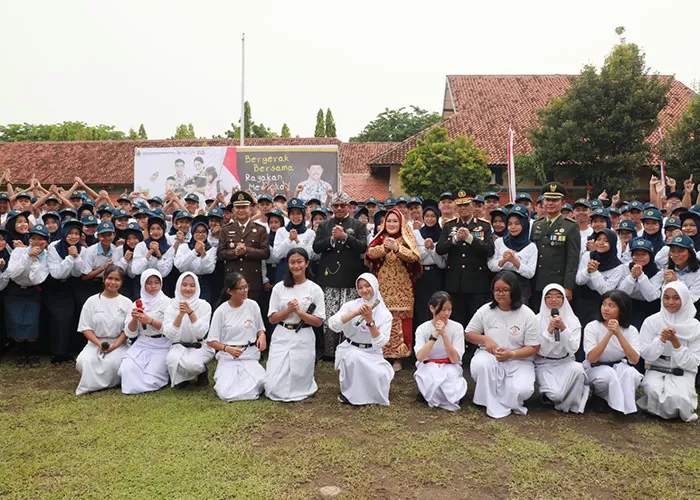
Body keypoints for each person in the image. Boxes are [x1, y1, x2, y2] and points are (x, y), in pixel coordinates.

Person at [465, 271, 540, 418]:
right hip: (492, 357)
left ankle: (507, 400)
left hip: (519, 360)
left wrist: (512, 354)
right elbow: (469, 333)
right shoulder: (486, 310)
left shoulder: (527, 314)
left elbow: (534, 347)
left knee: (523, 390)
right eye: (497, 290)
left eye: (505, 290)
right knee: (480, 364)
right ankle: (486, 400)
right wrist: (486, 340)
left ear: (514, 290)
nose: (501, 294)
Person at [265, 248, 325, 402]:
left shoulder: (315, 289)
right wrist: (288, 311)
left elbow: (318, 322)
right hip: (282, 334)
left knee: (298, 379)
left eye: (299, 262)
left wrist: (300, 313)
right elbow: (272, 319)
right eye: (292, 262)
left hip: (303, 336)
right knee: (272, 387)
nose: (296, 266)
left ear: (306, 263)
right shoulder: (279, 287)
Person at [312, 192, 367, 360]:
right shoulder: (324, 225)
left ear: (349, 206)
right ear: (332, 208)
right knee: (330, 313)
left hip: (350, 277)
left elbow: (363, 247)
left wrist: (345, 237)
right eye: (336, 206)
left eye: (343, 205)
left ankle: (347, 348)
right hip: (329, 277)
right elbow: (316, 247)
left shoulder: (358, 225)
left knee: (348, 314)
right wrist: (331, 239)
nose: (339, 208)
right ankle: (329, 351)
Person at [366, 209, 421, 371]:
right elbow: (369, 254)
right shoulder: (380, 238)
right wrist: (384, 248)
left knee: (401, 320)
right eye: (388, 221)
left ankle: (398, 358)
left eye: (395, 221)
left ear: (401, 223)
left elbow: (414, 257)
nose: (391, 224)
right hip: (382, 288)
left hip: (403, 288)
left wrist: (397, 248)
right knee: (382, 318)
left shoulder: (406, 238)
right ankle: (381, 353)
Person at [638, 282, 700, 422]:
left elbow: (694, 361)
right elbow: (645, 353)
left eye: (676, 298)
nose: (670, 302)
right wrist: (661, 340)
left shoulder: (695, 327)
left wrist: (676, 343)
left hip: (682, 370)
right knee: (653, 390)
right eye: (666, 298)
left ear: (684, 299)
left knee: (676, 398)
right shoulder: (652, 321)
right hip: (656, 367)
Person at [328, 273, 393, 405]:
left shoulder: (384, 314)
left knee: (380, 374)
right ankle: (349, 394)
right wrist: (356, 313)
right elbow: (333, 324)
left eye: (367, 286)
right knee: (353, 359)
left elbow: (380, 342)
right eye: (360, 287)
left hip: (372, 352)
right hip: (352, 348)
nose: (364, 290)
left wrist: (370, 321)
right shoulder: (350, 305)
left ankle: (371, 396)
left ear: (375, 286)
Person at [436, 188, 495, 329]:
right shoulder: (450, 225)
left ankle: (475, 349)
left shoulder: (484, 225)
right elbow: (440, 249)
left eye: (466, 205)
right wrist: (455, 239)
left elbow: (489, 250)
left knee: (476, 320)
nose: (463, 208)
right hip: (455, 281)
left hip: (477, 281)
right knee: (458, 319)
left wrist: (469, 239)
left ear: (473, 206)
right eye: (459, 205)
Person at [206, 273, 267, 402]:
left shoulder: (253, 305)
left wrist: (262, 336)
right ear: (230, 291)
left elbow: (260, 329)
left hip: (249, 356)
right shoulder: (221, 311)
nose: (245, 291)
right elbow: (211, 341)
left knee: (263, 383)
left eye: (246, 287)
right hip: (228, 357)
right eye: (241, 288)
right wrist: (227, 348)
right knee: (226, 392)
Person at [75, 265, 132, 395]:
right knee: (85, 361)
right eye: (110, 278)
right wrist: (98, 343)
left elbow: (127, 329)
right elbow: (86, 328)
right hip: (95, 343)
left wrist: (115, 345)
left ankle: (106, 383)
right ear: (104, 279)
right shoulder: (91, 301)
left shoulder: (127, 303)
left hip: (119, 344)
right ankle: (90, 385)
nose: (113, 282)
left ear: (122, 282)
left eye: (117, 280)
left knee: (113, 363)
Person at [583, 290, 642, 414]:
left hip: (619, 365)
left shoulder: (631, 330)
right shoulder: (592, 327)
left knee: (633, 375)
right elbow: (592, 358)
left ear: (621, 310)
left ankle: (625, 405)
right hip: (596, 367)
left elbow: (634, 359)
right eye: (604, 304)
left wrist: (618, 334)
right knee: (606, 376)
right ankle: (600, 397)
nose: (606, 309)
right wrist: (609, 334)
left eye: (611, 306)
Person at [534, 284, 588, 413]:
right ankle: (551, 397)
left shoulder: (573, 320)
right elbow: (541, 350)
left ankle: (571, 405)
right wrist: (549, 331)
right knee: (556, 394)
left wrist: (563, 329)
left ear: (564, 299)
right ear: (544, 299)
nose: (554, 300)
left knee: (579, 370)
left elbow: (573, 348)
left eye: (558, 297)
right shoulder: (536, 320)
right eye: (549, 297)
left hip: (566, 361)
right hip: (544, 363)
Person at [119, 269, 171, 395]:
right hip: (143, 342)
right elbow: (130, 333)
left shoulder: (169, 303)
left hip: (162, 343)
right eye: (149, 283)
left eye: (156, 283)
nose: (153, 286)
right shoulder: (137, 303)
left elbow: (171, 330)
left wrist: (150, 320)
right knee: (126, 369)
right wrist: (134, 319)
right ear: (143, 284)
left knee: (152, 377)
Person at [5, 224, 50, 368]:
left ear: (46, 242)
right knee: (17, 322)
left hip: (32, 292)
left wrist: (35, 260)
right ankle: (20, 354)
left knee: (31, 322)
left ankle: (32, 353)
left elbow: (37, 279)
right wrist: (27, 256)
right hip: (16, 291)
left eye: (40, 239)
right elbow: (13, 273)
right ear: (29, 240)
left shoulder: (47, 257)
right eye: (33, 238)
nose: (36, 242)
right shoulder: (19, 252)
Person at [530, 183, 580, 312]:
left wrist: (568, 287)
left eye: (555, 200)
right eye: (548, 199)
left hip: (558, 283)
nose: (550, 203)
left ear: (563, 203)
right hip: (537, 282)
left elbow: (572, 260)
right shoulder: (537, 225)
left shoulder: (570, 226)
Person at [414, 291, 467, 411]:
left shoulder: (457, 327)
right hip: (429, 365)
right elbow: (421, 357)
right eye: (443, 310)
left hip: (450, 365)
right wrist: (435, 335)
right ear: (432, 308)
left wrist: (444, 335)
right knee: (433, 378)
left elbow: (454, 358)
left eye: (449, 310)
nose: (447, 313)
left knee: (450, 382)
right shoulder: (422, 328)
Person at [217, 191, 270, 303]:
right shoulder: (226, 230)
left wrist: (247, 251)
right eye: (238, 207)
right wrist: (234, 253)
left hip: (252, 281)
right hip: (232, 282)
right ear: (233, 210)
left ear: (251, 209)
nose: (241, 210)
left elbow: (266, 253)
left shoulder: (260, 230)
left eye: (244, 207)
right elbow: (220, 254)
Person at [163, 272, 213, 388]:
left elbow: (201, 333)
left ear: (197, 287)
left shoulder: (204, 306)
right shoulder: (171, 306)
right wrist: (180, 315)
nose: (188, 288)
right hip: (179, 345)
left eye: (192, 285)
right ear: (178, 286)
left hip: (199, 345)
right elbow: (170, 334)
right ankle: (183, 379)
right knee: (171, 360)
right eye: (184, 285)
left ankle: (202, 371)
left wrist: (190, 313)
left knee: (193, 365)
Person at [46, 218, 84, 364]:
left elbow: (78, 272)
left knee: (73, 316)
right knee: (59, 318)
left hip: (72, 285)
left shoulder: (81, 248)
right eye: (70, 233)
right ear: (64, 233)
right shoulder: (54, 247)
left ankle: (69, 349)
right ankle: (58, 352)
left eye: (76, 233)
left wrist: (76, 256)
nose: (73, 236)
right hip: (55, 286)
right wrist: (70, 257)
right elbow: (57, 273)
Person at [575, 228, 626, 336]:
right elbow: (579, 280)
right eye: (599, 239)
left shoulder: (618, 266)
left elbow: (606, 291)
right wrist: (587, 271)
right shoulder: (588, 255)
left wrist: (594, 273)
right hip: (583, 301)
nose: (601, 243)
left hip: (603, 304)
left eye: (606, 241)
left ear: (612, 243)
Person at [488, 204, 537, 305]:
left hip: (521, 289)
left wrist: (515, 261)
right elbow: (491, 265)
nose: (513, 227)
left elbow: (530, 273)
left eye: (517, 223)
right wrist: (503, 260)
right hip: (500, 288)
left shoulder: (531, 247)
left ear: (524, 224)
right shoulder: (499, 242)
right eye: (510, 224)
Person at [618, 238, 663, 330]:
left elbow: (652, 296)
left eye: (643, 254)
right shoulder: (625, 268)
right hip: (628, 306)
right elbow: (622, 293)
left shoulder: (658, 272)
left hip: (649, 308)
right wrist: (632, 276)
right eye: (636, 254)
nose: (639, 257)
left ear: (650, 255)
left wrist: (641, 276)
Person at [412, 205, 446, 329]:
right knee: (421, 306)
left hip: (437, 275)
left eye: (433, 216)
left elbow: (442, 262)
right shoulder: (416, 233)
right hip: (421, 275)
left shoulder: (442, 234)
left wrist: (432, 249)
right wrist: (427, 250)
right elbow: (416, 256)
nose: (429, 219)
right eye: (427, 216)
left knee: (437, 305)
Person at [174, 216, 217, 304]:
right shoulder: (184, 246)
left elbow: (209, 269)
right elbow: (179, 265)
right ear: (192, 233)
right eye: (197, 232)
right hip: (186, 282)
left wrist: (203, 254)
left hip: (204, 283)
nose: (200, 235)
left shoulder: (212, 249)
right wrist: (194, 252)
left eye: (203, 232)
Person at [663, 235, 700, 317]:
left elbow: (693, 297)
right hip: (670, 312)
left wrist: (676, 282)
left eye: (680, 251)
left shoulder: (698, 272)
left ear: (690, 253)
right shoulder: (668, 269)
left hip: (693, 313)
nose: (676, 255)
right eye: (673, 251)